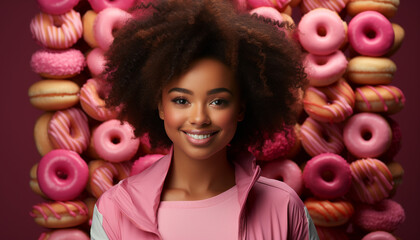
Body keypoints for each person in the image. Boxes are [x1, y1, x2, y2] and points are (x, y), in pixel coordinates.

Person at [91, 0, 318, 239]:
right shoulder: (115, 211)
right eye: (181, 100)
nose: (199, 118)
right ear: (160, 106)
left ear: (241, 109)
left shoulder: (284, 208)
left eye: (217, 101)